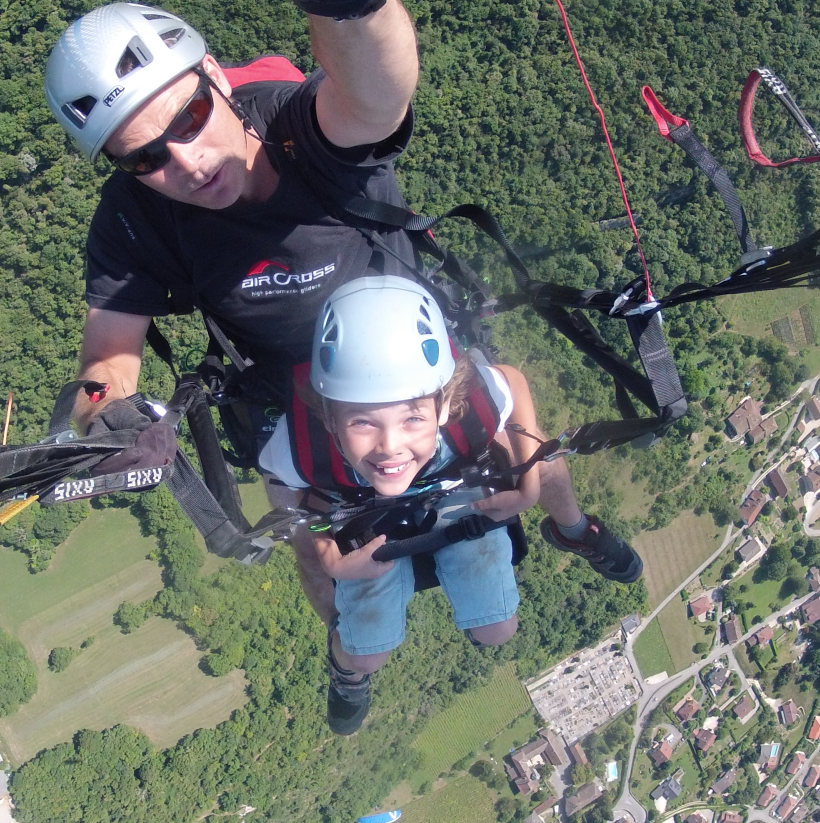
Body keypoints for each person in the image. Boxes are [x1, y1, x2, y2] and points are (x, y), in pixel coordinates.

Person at [43, 1, 642, 713]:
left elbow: (375, 91)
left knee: (536, 460)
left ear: (214, 76)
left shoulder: (300, 132)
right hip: (303, 407)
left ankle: (573, 529)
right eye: (145, 156)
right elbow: (106, 360)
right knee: (337, 593)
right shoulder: (134, 216)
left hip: (411, 365)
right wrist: (110, 418)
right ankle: (351, 664)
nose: (187, 161)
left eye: (189, 118)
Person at [259, 276, 541, 732]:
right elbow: (294, 507)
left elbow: (515, 385)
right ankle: (348, 671)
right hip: (359, 520)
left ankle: (462, 602)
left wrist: (529, 486)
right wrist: (332, 560)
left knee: (497, 630)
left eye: (413, 418)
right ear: (328, 417)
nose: (390, 447)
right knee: (368, 654)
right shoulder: (298, 447)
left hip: (450, 494)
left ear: (445, 406)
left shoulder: (475, 406)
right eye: (363, 422)